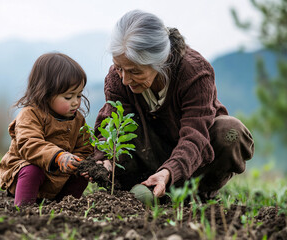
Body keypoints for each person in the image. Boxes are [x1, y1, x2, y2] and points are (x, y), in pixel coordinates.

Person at [92, 10, 254, 200]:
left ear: (159, 62)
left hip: (191, 159)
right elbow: (114, 127)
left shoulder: (194, 72)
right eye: (119, 68)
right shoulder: (117, 79)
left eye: (135, 71)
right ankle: (136, 190)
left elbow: (195, 136)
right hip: (147, 154)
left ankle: (195, 194)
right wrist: (106, 159)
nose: (125, 79)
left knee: (230, 132)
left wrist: (169, 172)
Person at [0, 53, 93, 206]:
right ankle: (25, 207)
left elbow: (85, 148)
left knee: (81, 173)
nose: (76, 102)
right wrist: (58, 156)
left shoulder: (78, 119)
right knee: (32, 170)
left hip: (58, 179)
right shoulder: (30, 114)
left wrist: (77, 162)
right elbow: (29, 143)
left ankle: (65, 205)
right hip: (25, 173)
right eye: (69, 97)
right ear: (46, 94)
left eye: (79, 95)